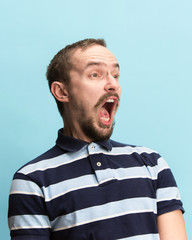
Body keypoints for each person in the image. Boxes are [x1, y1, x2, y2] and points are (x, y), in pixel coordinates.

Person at [8, 38, 187, 240]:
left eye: (116, 75)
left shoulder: (152, 163)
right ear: (62, 91)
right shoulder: (31, 181)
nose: (113, 84)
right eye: (95, 74)